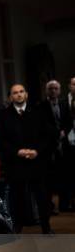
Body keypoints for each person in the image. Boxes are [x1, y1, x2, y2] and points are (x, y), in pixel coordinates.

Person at [0, 84, 53, 234]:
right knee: (17, 197)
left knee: (41, 196)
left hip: (37, 161)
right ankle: (17, 226)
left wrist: (36, 151)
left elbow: (47, 136)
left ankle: (46, 227)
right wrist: (17, 151)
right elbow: (1, 140)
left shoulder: (39, 112)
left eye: (21, 92)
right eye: (15, 93)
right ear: (10, 97)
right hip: (15, 163)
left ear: (26, 94)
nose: (19, 95)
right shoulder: (3, 116)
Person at [39, 80, 73, 212]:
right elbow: (42, 124)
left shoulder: (64, 104)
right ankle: (50, 206)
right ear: (47, 91)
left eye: (56, 88)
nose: (53, 91)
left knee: (65, 175)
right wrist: (56, 133)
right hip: (49, 146)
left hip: (64, 145)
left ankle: (65, 204)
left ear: (59, 90)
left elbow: (69, 121)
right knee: (50, 178)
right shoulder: (42, 105)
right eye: (51, 89)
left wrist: (64, 131)